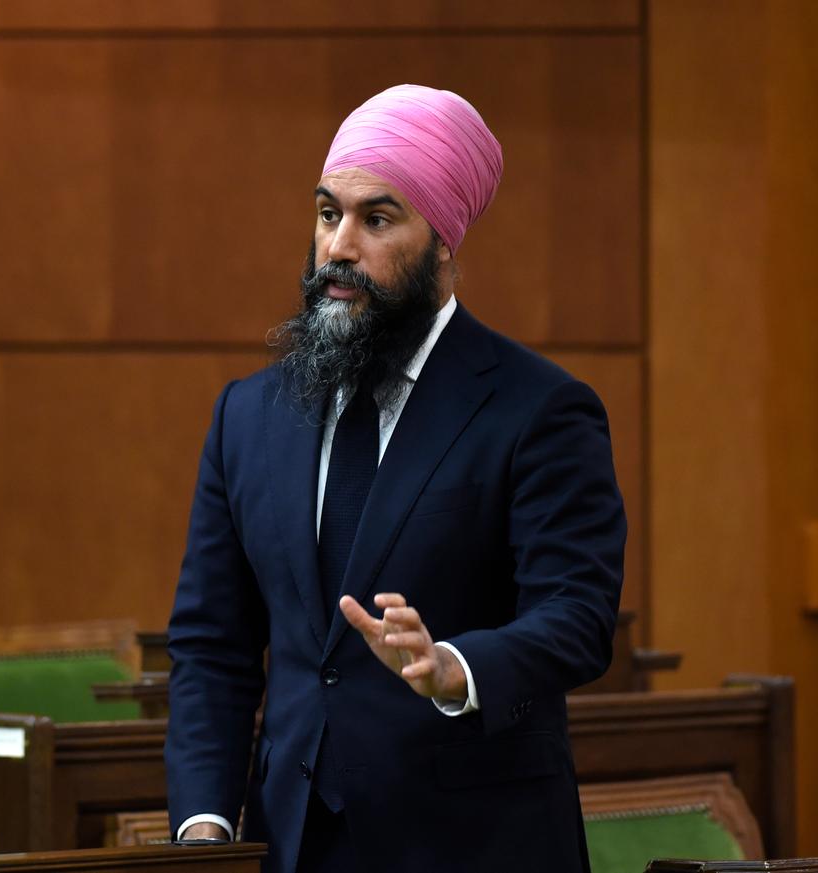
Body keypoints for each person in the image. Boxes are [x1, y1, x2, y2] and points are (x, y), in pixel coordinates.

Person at [165, 84, 626, 873]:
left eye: (376, 219)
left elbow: (578, 614)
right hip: (294, 844)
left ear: (442, 239)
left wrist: (455, 666)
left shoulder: (538, 409)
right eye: (326, 213)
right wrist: (204, 825)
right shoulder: (247, 415)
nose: (339, 246)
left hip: (473, 844)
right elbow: (214, 646)